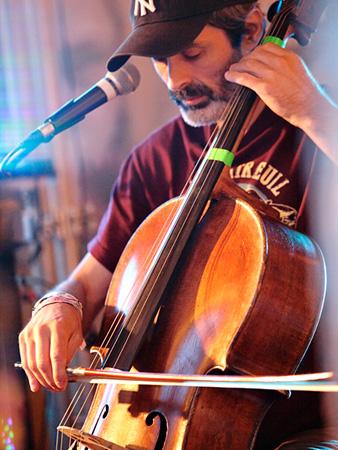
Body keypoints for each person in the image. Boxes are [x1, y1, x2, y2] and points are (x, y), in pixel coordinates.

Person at [18, 0, 338, 448]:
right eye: (160, 60)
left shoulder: (319, 123)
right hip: (166, 424)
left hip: (304, 429)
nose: (176, 79)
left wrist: (312, 111)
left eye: (191, 53)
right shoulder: (154, 160)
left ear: (250, 32)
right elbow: (87, 284)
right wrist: (56, 305)